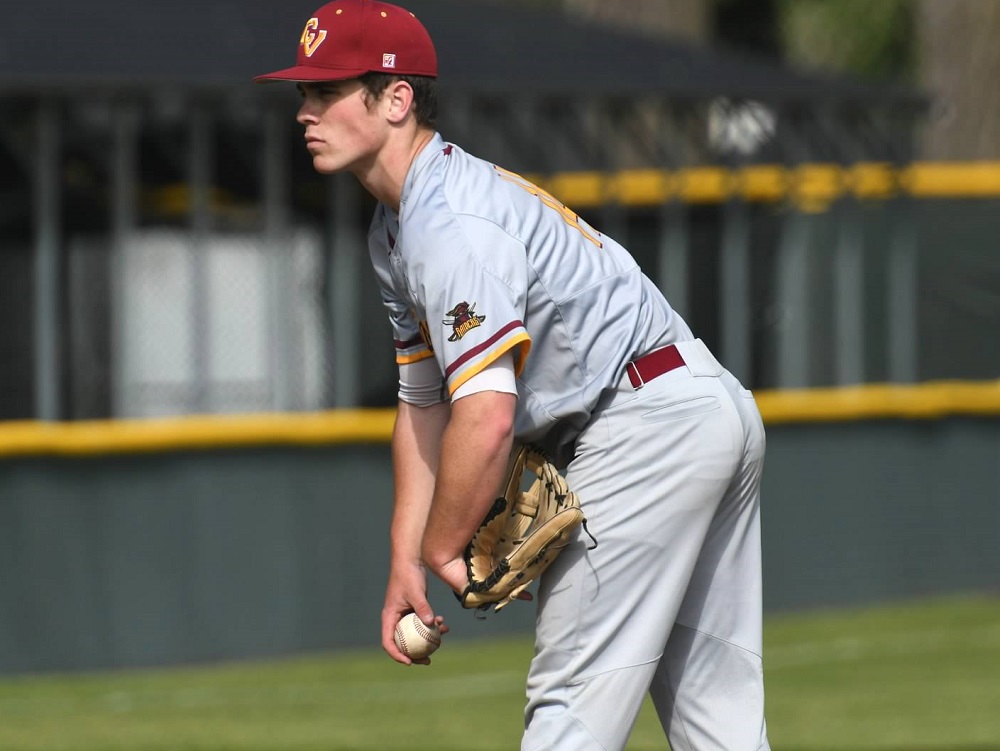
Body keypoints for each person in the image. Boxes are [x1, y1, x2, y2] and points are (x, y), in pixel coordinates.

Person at [256, 2, 770, 749]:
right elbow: (422, 403)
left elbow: (487, 416)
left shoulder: (449, 224)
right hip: (691, 404)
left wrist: (445, 545)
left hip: (639, 429)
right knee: (715, 720)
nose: (306, 111)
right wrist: (409, 556)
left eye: (327, 90)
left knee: (569, 711)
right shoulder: (399, 226)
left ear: (396, 99)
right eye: (304, 92)